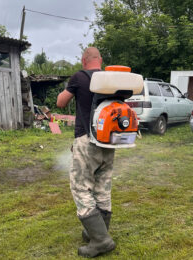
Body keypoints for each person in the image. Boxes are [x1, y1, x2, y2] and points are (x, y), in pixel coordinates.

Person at [57, 47, 116, 258]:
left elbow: (60, 103)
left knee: (81, 187)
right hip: (110, 142)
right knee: (102, 186)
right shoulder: (112, 79)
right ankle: (96, 231)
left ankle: (101, 240)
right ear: (100, 60)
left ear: (84, 60)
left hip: (87, 140)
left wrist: (68, 89)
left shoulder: (79, 77)